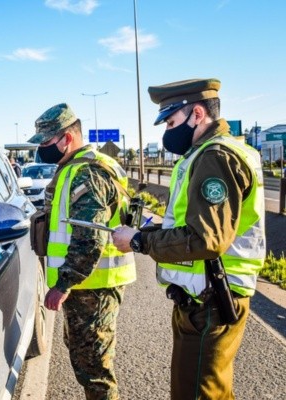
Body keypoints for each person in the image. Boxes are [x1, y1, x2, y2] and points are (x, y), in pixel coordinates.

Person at [112, 78, 265, 400]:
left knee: (196, 393)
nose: (167, 131)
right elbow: (189, 224)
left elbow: (206, 239)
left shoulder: (216, 156)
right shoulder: (204, 154)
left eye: (170, 122)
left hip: (212, 298)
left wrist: (140, 242)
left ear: (197, 113)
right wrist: (143, 234)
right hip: (203, 297)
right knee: (208, 390)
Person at [28, 103, 136, 399]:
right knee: (86, 362)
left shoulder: (87, 172)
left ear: (67, 138)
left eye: (47, 142)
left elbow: (89, 238)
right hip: (88, 285)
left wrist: (63, 284)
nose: (43, 150)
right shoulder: (79, 167)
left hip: (93, 286)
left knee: (95, 371)